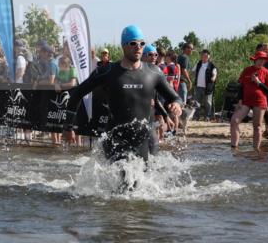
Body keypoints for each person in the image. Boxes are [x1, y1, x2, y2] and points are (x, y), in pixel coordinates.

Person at [63, 25, 182, 166]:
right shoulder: (107, 72)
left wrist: (176, 104)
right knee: (125, 179)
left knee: (144, 182)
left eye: (141, 44)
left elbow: (174, 97)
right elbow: (77, 93)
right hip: (116, 138)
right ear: (123, 46)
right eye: (133, 43)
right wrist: (68, 127)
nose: (138, 47)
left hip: (143, 138)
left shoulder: (153, 72)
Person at [230, 51, 268, 151]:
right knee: (234, 121)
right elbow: (241, 87)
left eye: (263, 60)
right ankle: (234, 147)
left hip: (260, 101)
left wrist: (259, 83)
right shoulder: (247, 70)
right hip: (246, 101)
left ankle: (256, 150)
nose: (261, 62)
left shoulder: (267, 72)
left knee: (257, 126)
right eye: (259, 60)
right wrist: (239, 100)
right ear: (255, 60)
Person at [193, 49, 217, 120]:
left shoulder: (211, 65)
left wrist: (213, 77)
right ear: (201, 56)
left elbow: (215, 74)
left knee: (208, 103)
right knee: (196, 102)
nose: (204, 56)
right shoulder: (198, 64)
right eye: (203, 55)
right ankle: (196, 116)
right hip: (198, 86)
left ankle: (207, 116)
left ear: (209, 56)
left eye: (206, 55)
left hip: (208, 87)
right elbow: (193, 71)